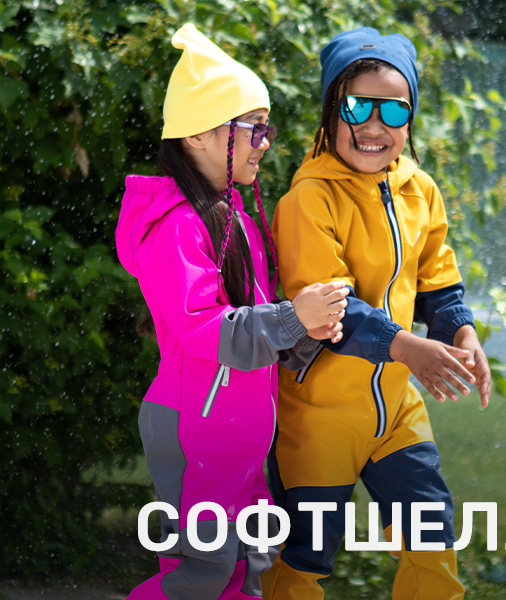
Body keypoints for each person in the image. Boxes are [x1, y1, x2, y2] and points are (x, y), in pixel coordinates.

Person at [115, 24, 348, 600]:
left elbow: (255, 322)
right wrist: (291, 318)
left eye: (267, 129)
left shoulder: (234, 218)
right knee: (202, 571)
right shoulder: (176, 226)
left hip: (235, 425)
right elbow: (202, 326)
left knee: (251, 563)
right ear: (199, 133)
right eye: (254, 128)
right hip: (194, 423)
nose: (265, 142)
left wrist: (306, 330)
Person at [262, 27, 491, 600]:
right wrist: (410, 348)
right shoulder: (307, 200)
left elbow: (438, 283)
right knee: (303, 554)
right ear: (330, 113)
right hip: (318, 414)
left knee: (431, 536)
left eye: (394, 110)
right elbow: (329, 311)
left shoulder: (421, 191)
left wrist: (463, 333)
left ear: (410, 121)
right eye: (357, 107)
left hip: (395, 411)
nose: (373, 126)